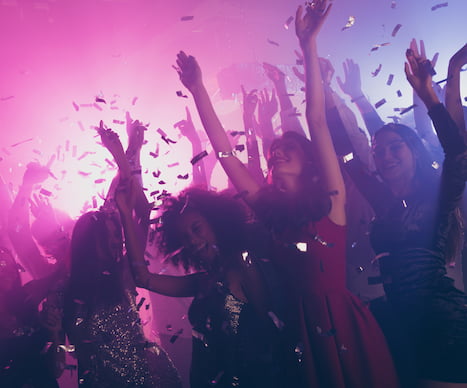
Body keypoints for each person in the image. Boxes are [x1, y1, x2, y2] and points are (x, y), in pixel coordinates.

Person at [173, 2, 400, 387]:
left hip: (344, 324)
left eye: (286, 148)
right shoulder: (271, 213)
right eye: (274, 149)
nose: (276, 152)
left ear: (308, 162)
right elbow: (226, 156)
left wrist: (308, 43)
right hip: (303, 334)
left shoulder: (332, 201)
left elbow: (316, 121)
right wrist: (197, 91)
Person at [344, 40, 467, 387]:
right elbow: (347, 148)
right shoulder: (383, 202)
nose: (385, 155)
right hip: (399, 328)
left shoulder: (436, 194)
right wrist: (335, 91)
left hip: (446, 325)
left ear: (414, 151)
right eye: (378, 151)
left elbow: (457, 153)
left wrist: (430, 93)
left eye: (396, 147)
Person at [118, 181, 300, 388]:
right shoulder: (203, 281)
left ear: (216, 223)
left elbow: (271, 327)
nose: (193, 240)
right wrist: (125, 213)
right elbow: (143, 278)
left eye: (197, 229)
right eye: (185, 237)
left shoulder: (244, 265)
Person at [63, 125, 182, 388]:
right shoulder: (65, 290)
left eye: (117, 234)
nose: (116, 240)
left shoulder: (124, 274)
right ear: (86, 242)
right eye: (107, 236)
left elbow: (141, 209)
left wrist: (123, 158)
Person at [0, 246, 63, 387]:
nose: (9, 272)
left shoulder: (27, 306)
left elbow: (57, 370)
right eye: (1, 266)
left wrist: (54, 334)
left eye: (11, 267)